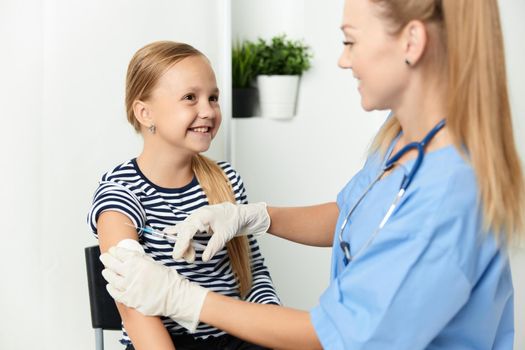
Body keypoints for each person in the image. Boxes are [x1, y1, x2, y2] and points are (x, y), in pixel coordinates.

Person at [99, 0, 525, 349]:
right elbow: (350, 214)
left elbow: (337, 333)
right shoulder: (400, 139)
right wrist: (259, 216)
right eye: (189, 97)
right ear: (144, 111)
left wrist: (184, 297)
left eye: (350, 41)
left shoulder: (446, 195)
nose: (341, 60)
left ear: (412, 41)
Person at [87, 41, 280, 350]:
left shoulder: (226, 180)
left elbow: (252, 273)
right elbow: (134, 307)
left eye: (213, 98)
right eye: (190, 97)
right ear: (144, 112)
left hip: (235, 338)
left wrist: (274, 328)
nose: (208, 110)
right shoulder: (121, 191)